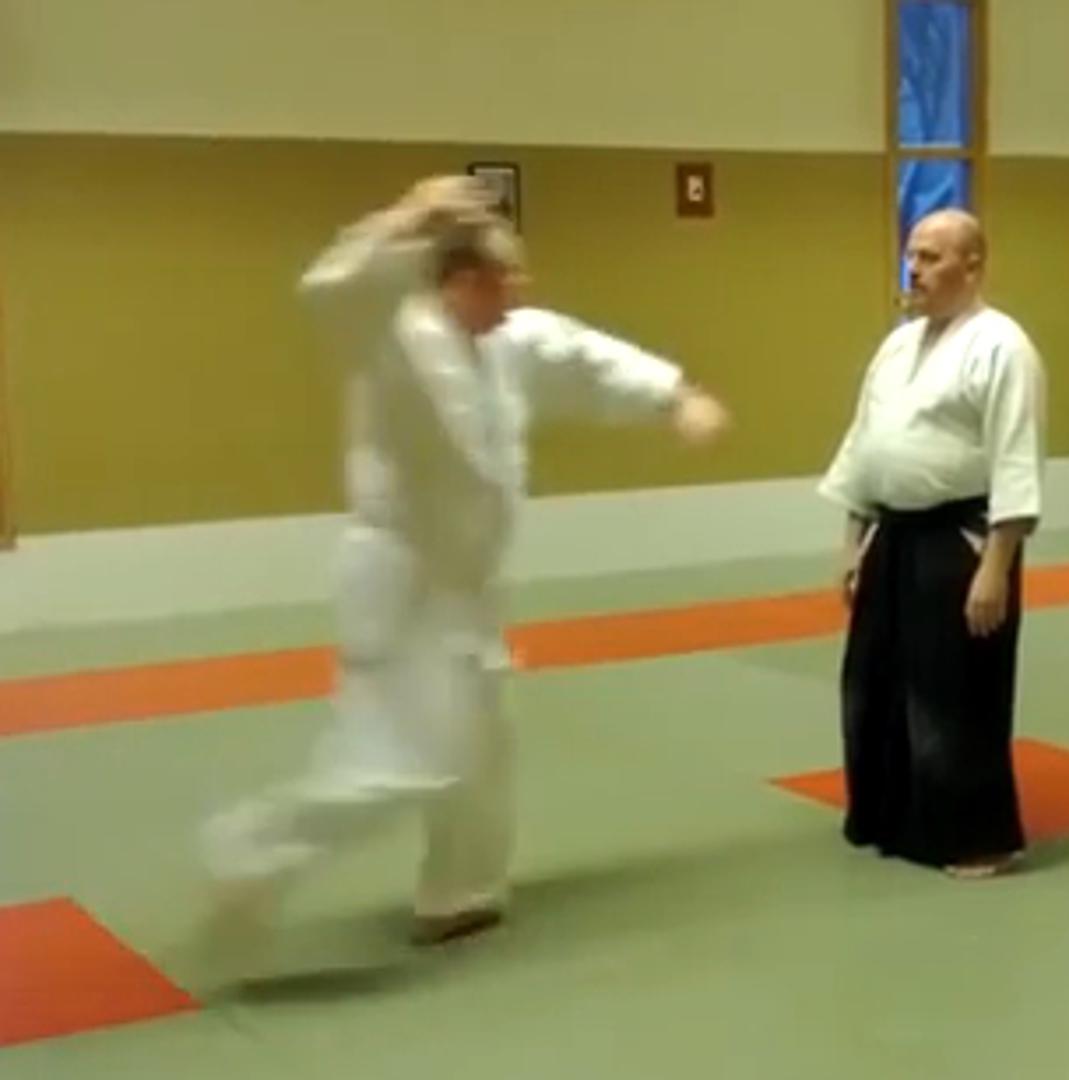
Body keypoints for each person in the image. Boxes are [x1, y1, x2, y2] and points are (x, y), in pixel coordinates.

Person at [201, 177, 729, 960]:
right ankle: (249, 854)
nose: (518, 292)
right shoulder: (392, 335)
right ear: (460, 281)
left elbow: (585, 357)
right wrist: (411, 215)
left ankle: (461, 893)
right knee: (403, 761)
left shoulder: (508, 341)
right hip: (403, 585)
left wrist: (675, 397)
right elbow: (328, 289)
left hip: (466, 588)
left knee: (482, 745)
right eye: (504, 277)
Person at [817, 208, 1046, 880]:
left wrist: (996, 565)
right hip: (892, 533)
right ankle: (888, 816)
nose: (913, 269)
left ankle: (977, 837)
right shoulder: (898, 346)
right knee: (874, 683)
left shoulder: (1003, 347)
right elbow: (865, 444)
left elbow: (1016, 458)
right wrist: (853, 541)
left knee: (955, 688)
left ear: (972, 266)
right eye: (911, 255)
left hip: (962, 539)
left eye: (930, 257)